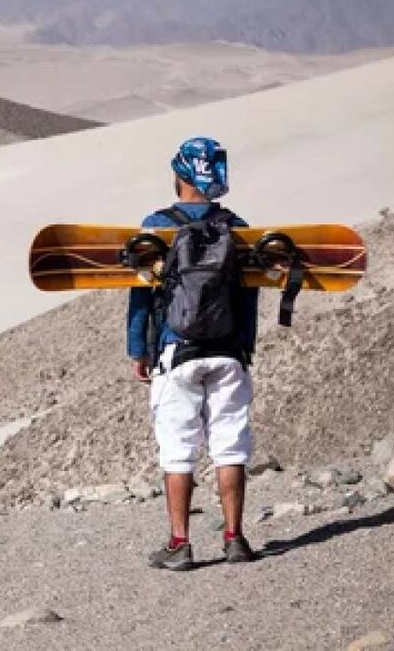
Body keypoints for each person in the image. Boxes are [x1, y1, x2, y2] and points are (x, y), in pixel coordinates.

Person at [127, 137, 260, 570]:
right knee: (230, 446)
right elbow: (249, 295)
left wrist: (138, 349)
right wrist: (243, 347)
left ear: (180, 175)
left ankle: (180, 544)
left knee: (178, 450)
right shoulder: (237, 226)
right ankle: (235, 538)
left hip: (175, 349)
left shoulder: (157, 225)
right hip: (227, 350)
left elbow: (141, 295)